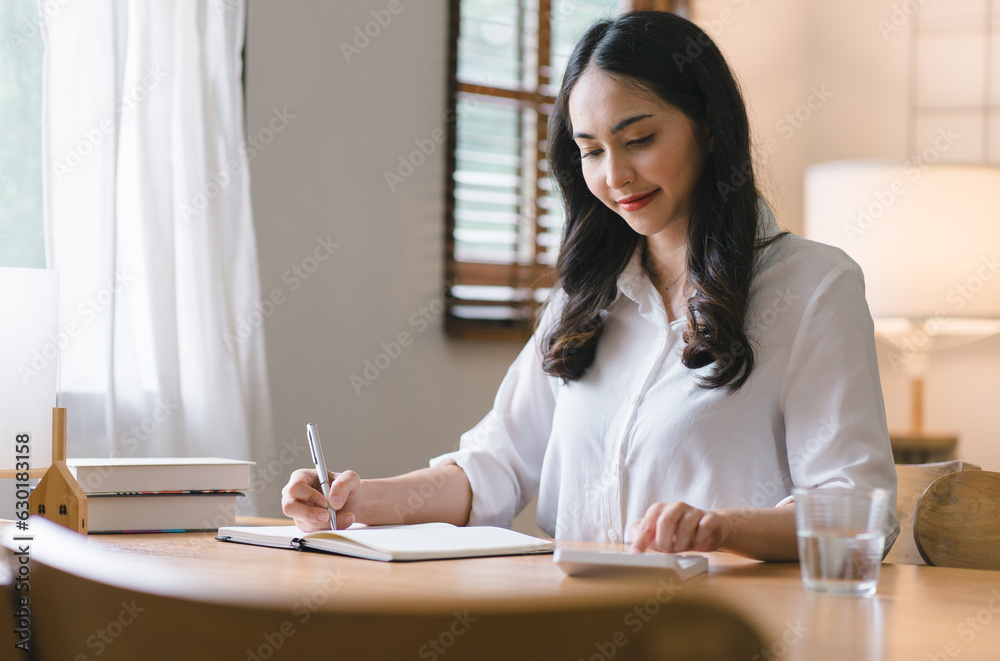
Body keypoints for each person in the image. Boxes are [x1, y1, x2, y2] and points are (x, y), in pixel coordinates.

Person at [282, 11, 899, 562]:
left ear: (709, 127)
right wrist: (356, 500)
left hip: (722, 633)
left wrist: (720, 528)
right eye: (591, 151)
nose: (616, 176)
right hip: (570, 627)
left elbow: (858, 508)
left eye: (639, 140)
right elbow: (492, 469)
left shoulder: (814, 286)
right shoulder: (585, 296)